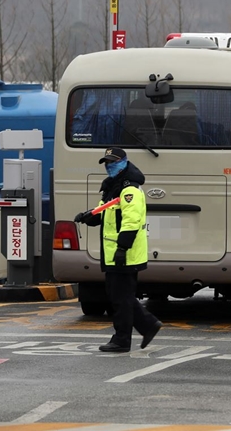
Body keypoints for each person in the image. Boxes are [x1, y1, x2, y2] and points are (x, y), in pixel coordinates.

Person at [74, 147, 162, 353]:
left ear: (124, 162)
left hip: (125, 254)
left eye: (113, 162)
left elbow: (131, 222)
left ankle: (122, 339)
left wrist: (122, 248)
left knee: (120, 298)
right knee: (120, 296)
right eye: (106, 162)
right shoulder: (113, 187)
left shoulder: (129, 189)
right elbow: (107, 213)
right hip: (114, 253)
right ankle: (148, 325)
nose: (109, 166)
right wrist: (89, 217)